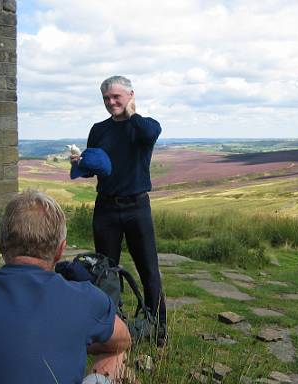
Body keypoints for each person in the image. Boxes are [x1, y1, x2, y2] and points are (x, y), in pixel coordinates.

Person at [0, 190, 132, 384]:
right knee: (116, 357)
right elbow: (123, 341)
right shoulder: (85, 299)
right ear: (61, 250)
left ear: (1, 244)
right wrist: (74, 339)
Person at [70, 75, 166, 346]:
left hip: (137, 206)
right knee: (105, 270)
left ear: (131, 95)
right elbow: (94, 168)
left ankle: (158, 329)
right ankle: (113, 327)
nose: (111, 102)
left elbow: (148, 134)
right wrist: (80, 163)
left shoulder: (145, 126)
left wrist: (131, 112)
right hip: (106, 208)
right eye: (106, 99)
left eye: (116, 97)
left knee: (149, 270)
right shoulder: (99, 130)